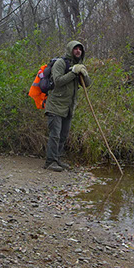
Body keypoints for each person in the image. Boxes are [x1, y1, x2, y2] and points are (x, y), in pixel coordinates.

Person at [44, 40, 91, 172]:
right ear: (70, 50)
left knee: (63, 135)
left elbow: (87, 84)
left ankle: (57, 159)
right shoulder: (60, 63)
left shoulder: (78, 65)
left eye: (80, 49)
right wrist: (73, 73)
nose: (78, 51)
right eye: (75, 48)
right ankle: (50, 162)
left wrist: (84, 73)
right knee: (55, 135)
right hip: (55, 106)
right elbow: (58, 81)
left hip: (68, 107)